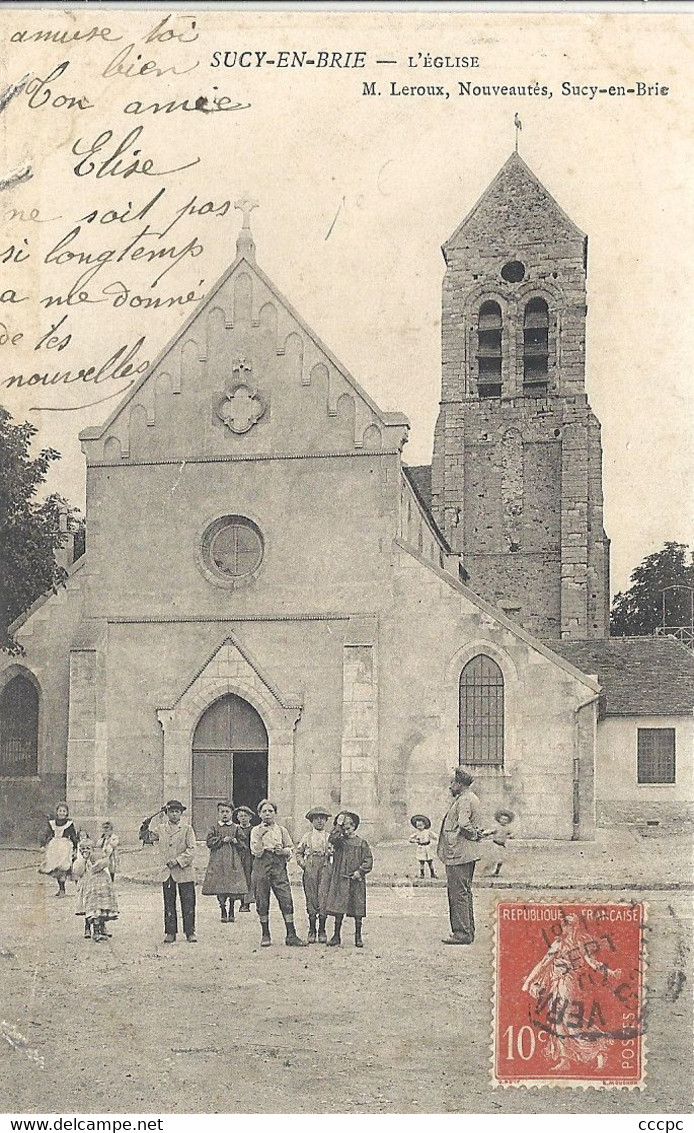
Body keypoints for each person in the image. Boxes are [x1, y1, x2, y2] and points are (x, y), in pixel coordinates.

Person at [250, 800, 305, 947]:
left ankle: (291, 935)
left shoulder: (281, 830)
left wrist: (283, 851)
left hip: (278, 865)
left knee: (285, 897)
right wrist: (261, 838)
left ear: (275, 813)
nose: (267, 814)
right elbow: (255, 851)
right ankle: (265, 934)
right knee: (262, 899)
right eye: (264, 811)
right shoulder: (255, 830)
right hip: (261, 864)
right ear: (259, 814)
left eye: (270, 811)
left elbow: (290, 848)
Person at [141, 800, 197, 944]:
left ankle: (190, 932)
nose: (174, 814)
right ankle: (170, 932)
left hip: (184, 871)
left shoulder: (187, 829)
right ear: (166, 814)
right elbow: (147, 838)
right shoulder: (161, 829)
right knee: (169, 903)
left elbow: (192, 850)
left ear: (181, 813)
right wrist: (145, 825)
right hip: (168, 873)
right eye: (171, 811)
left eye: (177, 812)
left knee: (188, 902)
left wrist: (178, 860)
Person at [437, 768, 482, 945]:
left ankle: (461, 933)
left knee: (458, 893)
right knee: (464, 892)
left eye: (452, 783)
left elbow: (464, 823)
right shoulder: (471, 798)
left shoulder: (464, 800)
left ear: (460, 784)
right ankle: (467, 931)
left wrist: (473, 835)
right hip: (465, 853)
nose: (450, 786)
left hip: (458, 853)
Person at [325, 811, 373, 949]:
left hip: (356, 880)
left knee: (357, 908)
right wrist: (339, 824)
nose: (347, 830)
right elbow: (332, 838)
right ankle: (336, 936)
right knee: (339, 908)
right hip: (341, 879)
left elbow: (368, 859)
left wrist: (360, 871)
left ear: (354, 827)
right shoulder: (340, 842)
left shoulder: (362, 843)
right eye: (344, 828)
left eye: (349, 827)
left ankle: (358, 936)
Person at [202, 801, 249, 922]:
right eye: (222, 812)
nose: (224, 814)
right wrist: (222, 840)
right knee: (220, 886)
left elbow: (244, 845)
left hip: (233, 861)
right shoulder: (214, 827)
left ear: (232, 813)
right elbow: (209, 842)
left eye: (227, 812)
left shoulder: (236, 828)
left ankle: (232, 909)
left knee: (232, 886)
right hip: (218, 861)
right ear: (218, 813)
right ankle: (222, 908)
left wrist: (235, 842)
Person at [295, 806, 332, 943]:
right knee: (311, 897)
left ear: (326, 821)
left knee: (323, 896)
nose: (320, 822)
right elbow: (298, 852)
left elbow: (335, 852)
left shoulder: (329, 837)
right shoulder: (307, 836)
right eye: (316, 819)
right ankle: (312, 929)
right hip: (310, 866)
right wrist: (302, 863)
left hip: (324, 866)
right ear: (312, 821)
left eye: (322, 819)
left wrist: (330, 861)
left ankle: (322, 929)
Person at [74, 838, 119, 942]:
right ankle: (90, 929)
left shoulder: (96, 857)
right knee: (90, 908)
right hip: (87, 885)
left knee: (100, 906)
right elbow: (78, 872)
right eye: (83, 849)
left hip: (98, 885)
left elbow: (103, 865)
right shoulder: (81, 861)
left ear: (92, 849)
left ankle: (101, 928)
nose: (86, 850)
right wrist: (83, 860)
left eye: (88, 848)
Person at [38, 801, 79, 897]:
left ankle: (72, 889)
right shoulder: (52, 823)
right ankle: (61, 888)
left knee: (64, 867)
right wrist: (43, 844)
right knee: (56, 868)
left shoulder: (69, 824)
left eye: (64, 811)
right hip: (54, 846)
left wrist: (76, 847)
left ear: (67, 813)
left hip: (65, 847)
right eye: (60, 811)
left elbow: (73, 836)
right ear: (57, 812)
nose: (62, 813)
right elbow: (47, 833)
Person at [481, 807, 515, 877]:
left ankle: (497, 872)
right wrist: (484, 833)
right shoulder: (496, 826)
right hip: (495, 845)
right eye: (502, 819)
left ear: (508, 821)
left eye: (506, 820)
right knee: (493, 859)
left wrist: (511, 836)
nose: (504, 821)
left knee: (501, 860)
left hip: (502, 846)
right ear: (499, 819)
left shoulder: (507, 828)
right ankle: (486, 872)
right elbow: (490, 831)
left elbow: (512, 833)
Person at [232, 805, 254, 912]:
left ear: (250, 817)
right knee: (238, 878)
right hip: (237, 856)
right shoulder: (235, 829)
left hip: (249, 857)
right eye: (241, 816)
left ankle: (246, 903)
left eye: (245, 816)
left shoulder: (253, 829)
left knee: (248, 878)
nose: (243, 818)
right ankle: (239, 900)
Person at [409, 814, 436, 879]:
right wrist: (415, 841)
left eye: (421, 825)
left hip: (427, 848)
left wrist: (437, 838)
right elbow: (410, 839)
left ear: (424, 825)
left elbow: (435, 836)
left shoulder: (428, 832)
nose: (419, 827)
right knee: (421, 862)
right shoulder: (417, 833)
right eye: (417, 826)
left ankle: (432, 874)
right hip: (421, 848)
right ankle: (422, 874)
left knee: (430, 862)